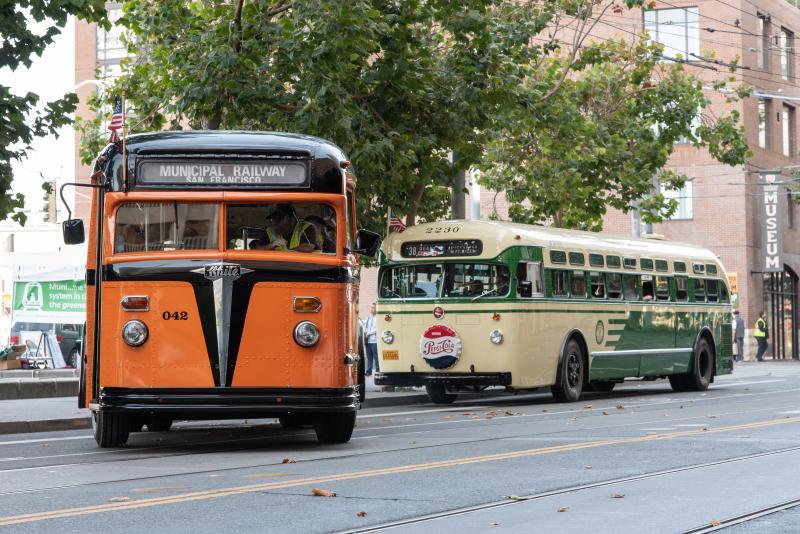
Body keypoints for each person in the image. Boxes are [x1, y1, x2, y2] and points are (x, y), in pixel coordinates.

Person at [363, 302, 379, 376]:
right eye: (371, 307)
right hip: (368, 341)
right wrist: (365, 332)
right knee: (369, 357)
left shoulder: (378, 317)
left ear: (376, 308)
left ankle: (378, 370)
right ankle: (369, 371)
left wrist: (369, 333)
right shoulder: (369, 317)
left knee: (376, 356)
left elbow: (377, 329)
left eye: (373, 307)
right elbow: (365, 326)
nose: (371, 309)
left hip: (374, 340)